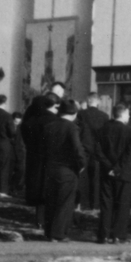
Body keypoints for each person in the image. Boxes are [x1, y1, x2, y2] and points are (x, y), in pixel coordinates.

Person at [42, 100, 86, 241]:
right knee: (65, 203)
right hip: (67, 169)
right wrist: (82, 164)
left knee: (51, 201)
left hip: (50, 168)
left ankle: (49, 232)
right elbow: (77, 148)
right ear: (74, 114)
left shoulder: (48, 126)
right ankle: (58, 234)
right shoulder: (72, 128)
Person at [96, 103, 131, 243]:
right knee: (122, 205)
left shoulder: (102, 129)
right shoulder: (129, 131)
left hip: (106, 172)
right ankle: (118, 235)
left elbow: (98, 151)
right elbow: (128, 154)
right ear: (124, 114)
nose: (129, 116)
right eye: (128, 114)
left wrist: (109, 167)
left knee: (106, 204)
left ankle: (103, 234)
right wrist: (117, 168)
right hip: (124, 173)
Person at [77, 92, 110, 210]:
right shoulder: (105, 116)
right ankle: (95, 203)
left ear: (88, 101)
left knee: (83, 177)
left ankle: (83, 202)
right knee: (96, 178)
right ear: (98, 102)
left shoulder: (81, 114)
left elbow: (78, 131)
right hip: (98, 150)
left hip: (84, 148)